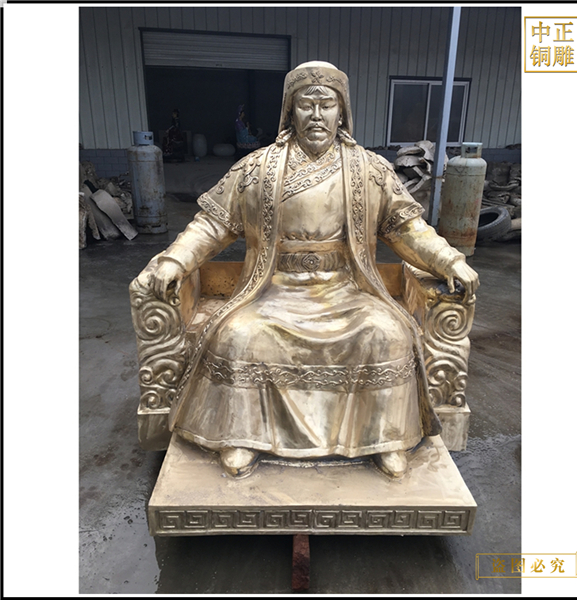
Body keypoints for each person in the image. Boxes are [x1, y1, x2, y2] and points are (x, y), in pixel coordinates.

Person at [150, 62, 479, 478]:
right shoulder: (257, 167)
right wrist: (176, 260)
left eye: (327, 105)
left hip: (348, 290)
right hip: (273, 291)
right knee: (239, 336)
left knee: (386, 334)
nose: (317, 115)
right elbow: (212, 225)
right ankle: (243, 435)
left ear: (342, 112)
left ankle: (385, 437)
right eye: (307, 105)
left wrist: (449, 260)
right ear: (291, 111)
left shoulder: (370, 169)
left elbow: (406, 229)